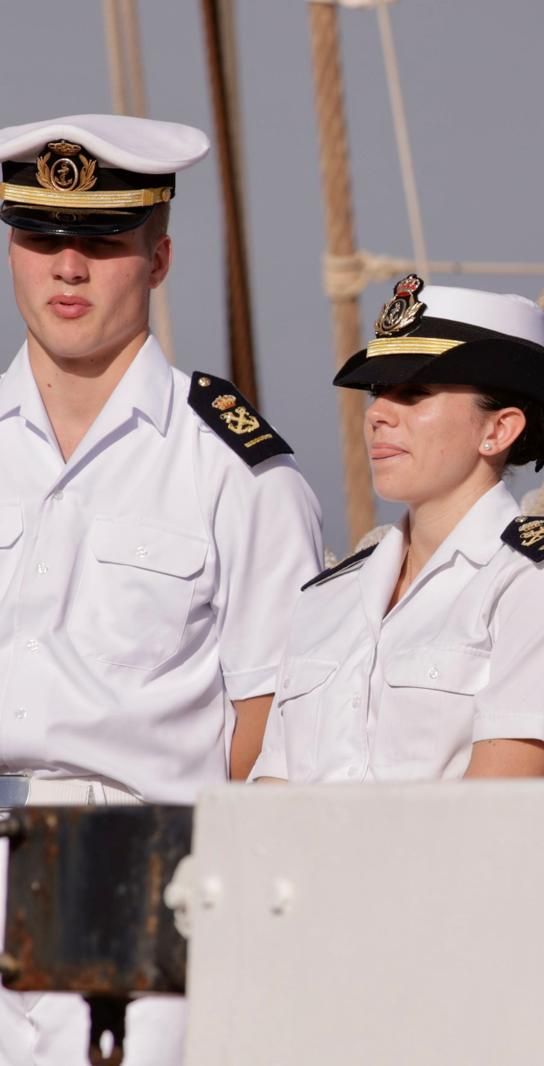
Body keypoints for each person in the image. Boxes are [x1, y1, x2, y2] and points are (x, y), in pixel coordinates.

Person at [0, 115, 322, 1063]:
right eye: (40, 237)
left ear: (159, 256)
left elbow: (274, 723)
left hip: (138, 878)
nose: (67, 268)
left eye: (100, 242)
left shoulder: (236, 474)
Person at [249, 277, 544, 783]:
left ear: (498, 430)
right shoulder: (324, 602)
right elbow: (271, 799)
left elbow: (493, 809)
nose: (377, 414)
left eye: (414, 394)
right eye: (378, 393)